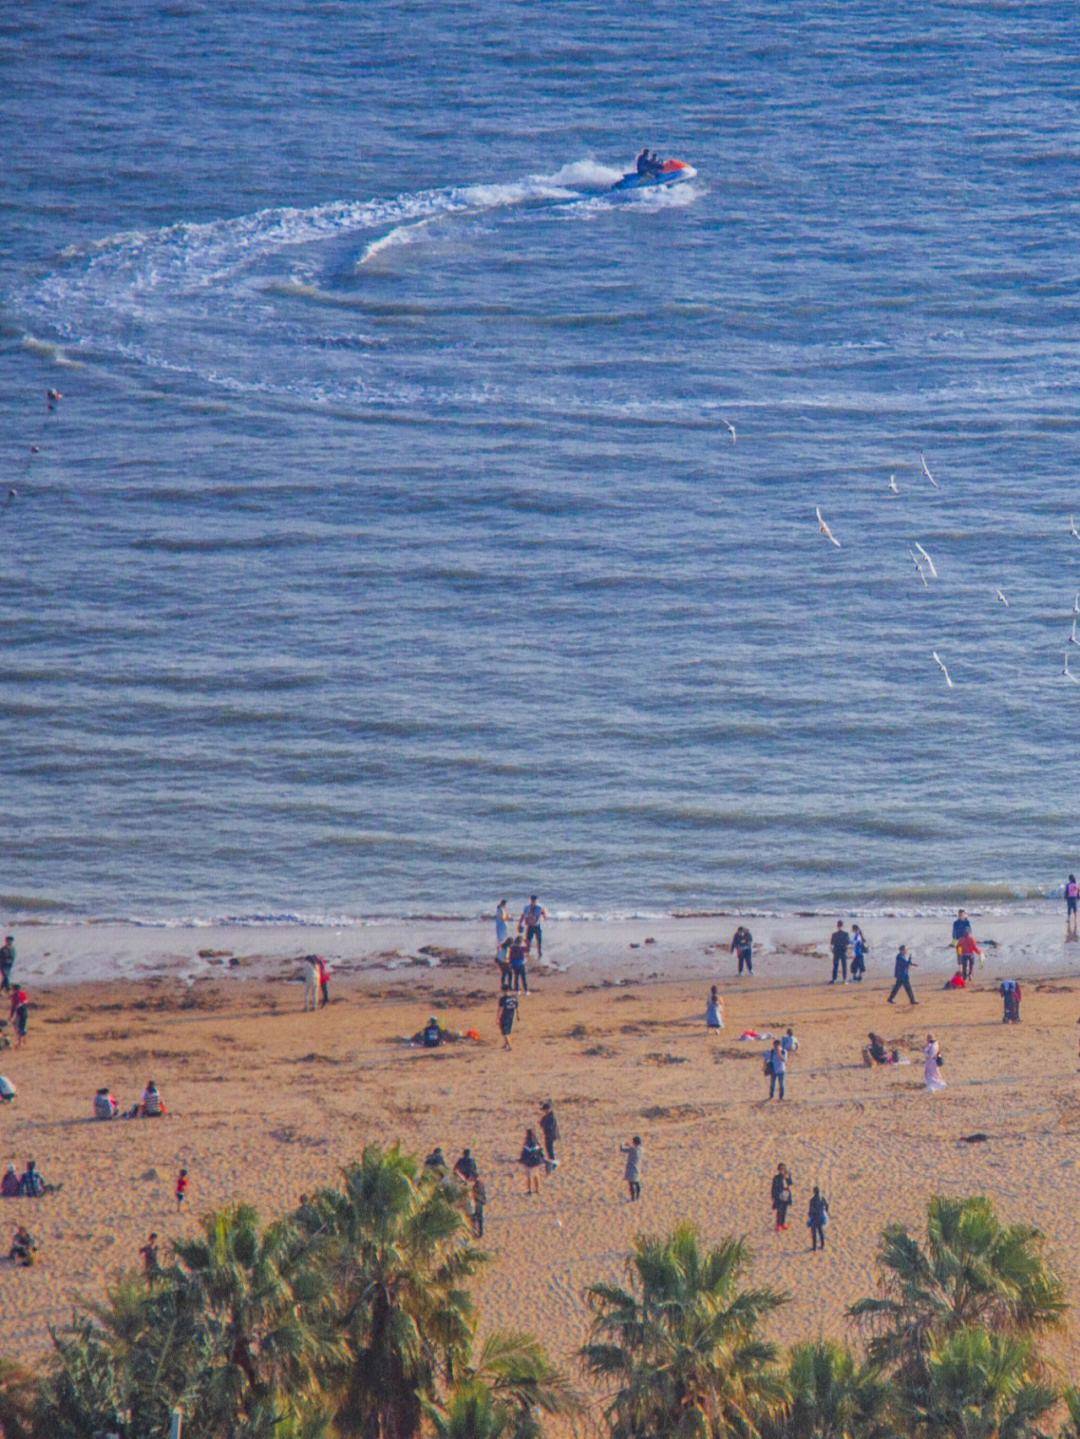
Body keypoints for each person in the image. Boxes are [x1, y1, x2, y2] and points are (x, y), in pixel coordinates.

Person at [519, 1128, 545, 1194]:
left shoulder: (527, 1143)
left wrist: (522, 1160)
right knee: (536, 1176)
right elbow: (541, 1152)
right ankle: (537, 1190)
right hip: (536, 1162)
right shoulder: (536, 1143)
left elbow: (524, 1154)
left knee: (529, 1176)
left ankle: (529, 1190)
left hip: (529, 1163)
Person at [770, 1164, 793, 1231]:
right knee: (779, 1211)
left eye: (783, 1169)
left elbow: (790, 1183)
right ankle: (778, 1225)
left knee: (784, 1211)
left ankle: (782, 1224)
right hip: (779, 1196)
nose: (782, 1170)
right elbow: (773, 1187)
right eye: (781, 1169)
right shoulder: (776, 1178)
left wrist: (788, 1177)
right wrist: (773, 1196)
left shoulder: (786, 1176)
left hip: (786, 1195)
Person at [621, 1136, 643, 1201]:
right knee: (637, 1182)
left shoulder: (632, 1149)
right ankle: (638, 1197)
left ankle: (633, 1198)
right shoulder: (641, 1149)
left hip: (631, 1168)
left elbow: (622, 1149)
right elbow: (633, 1148)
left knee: (631, 1184)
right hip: (637, 1167)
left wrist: (623, 1143)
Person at [540, 1100, 559, 1171]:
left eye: (545, 1110)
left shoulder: (551, 1117)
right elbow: (542, 1124)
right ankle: (552, 1161)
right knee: (548, 1148)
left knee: (550, 1149)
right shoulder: (547, 1117)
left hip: (551, 1136)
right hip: (548, 1135)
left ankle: (553, 1162)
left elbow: (549, 1127)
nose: (544, 1111)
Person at [808, 1186, 829, 1251]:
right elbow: (827, 1205)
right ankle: (822, 1245)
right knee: (820, 1231)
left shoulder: (812, 1200)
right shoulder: (822, 1198)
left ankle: (814, 1247)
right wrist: (825, 1212)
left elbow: (811, 1209)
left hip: (814, 1218)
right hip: (820, 1217)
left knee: (814, 1233)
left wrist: (810, 1215)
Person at [1067, 874, 1079, 940]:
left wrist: (1065, 897)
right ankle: (1075, 919)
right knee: (1075, 909)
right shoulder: (1076, 885)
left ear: (1070, 879)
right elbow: (1078, 892)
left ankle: (1068, 919)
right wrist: (1078, 897)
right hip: (1074, 898)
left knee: (1069, 909)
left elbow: (1066, 892)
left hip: (1069, 898)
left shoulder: (1068, 885)